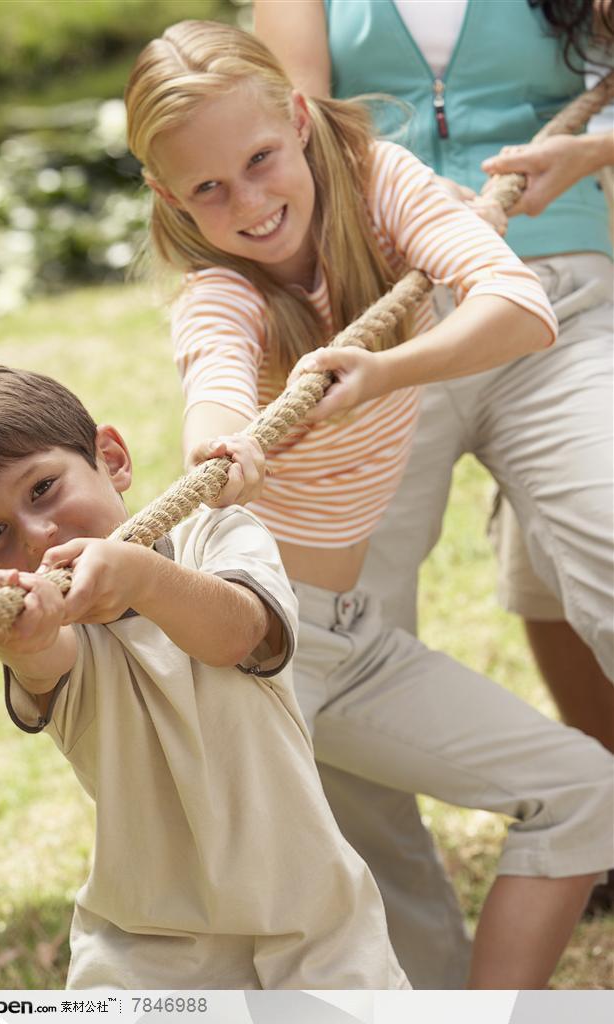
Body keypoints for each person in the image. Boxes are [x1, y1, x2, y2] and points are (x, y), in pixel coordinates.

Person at [123, 19, 614, 989]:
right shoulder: (218, 290)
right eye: (208, 189)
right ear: (166, 195)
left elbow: (516, 306)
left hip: (345, 642)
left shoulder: (377, 176)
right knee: (265, 933)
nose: (250, 202)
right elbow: (213, 379)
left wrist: (386, 368)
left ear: (300, 119)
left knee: (580, 791)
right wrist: (221, 442)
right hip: (257, 648)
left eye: (261, 159)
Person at [0, 363, 409, 991]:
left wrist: (139, 576)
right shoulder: (52, 636)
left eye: (43, 488)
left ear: (112, 457)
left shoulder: (214, 532)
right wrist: (21, 637)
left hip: (317, 930)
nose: (39, 532)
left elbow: (239, 633)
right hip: (144, 960)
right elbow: (43, 661)